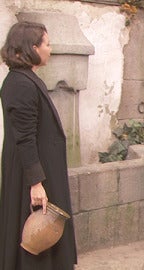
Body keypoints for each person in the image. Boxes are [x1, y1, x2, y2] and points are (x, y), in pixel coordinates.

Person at [0, 21, 77, 269]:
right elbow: (24, 137)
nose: (50, 49)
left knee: (44, 230)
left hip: (40, 171)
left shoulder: (26, 78)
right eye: (47, 43)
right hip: (31, 176)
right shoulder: (20, 83)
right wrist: (36, 183)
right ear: (32, 47)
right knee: (34, 231)